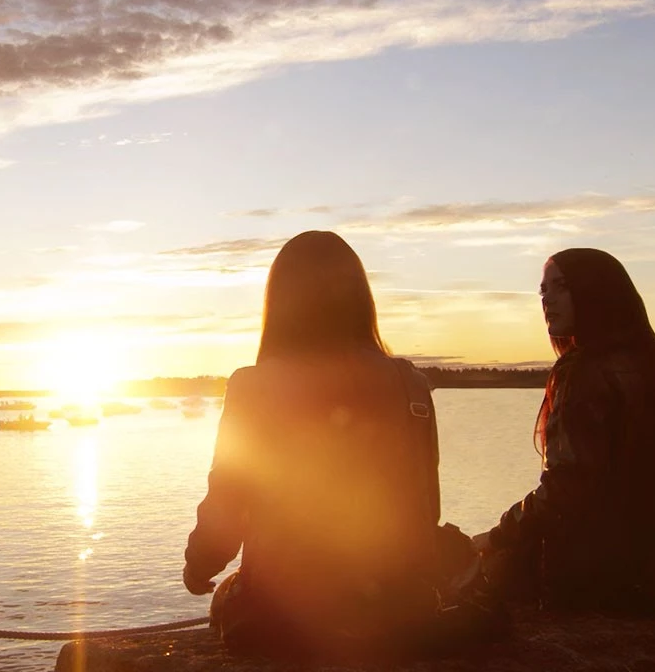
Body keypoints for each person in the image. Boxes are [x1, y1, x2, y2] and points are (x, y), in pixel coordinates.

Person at [183, 231, 460, 658]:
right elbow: (427, 506)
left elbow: (227, 506)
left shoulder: (253, 386)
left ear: (280, 302)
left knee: (227, 601)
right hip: (400, 609)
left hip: (285, 615)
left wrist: (199, 568)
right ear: (360, 297)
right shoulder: (413, 385)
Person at [474, 248, 655, 613]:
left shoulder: (582, 373)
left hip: (588, 575)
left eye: (560, 286)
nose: (547, 299)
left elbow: (565, 487)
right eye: (543, 291)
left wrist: (500, 534)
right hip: (651, 564)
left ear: (595, 291)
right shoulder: (654, 369)